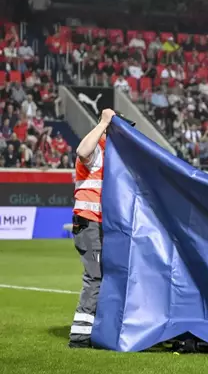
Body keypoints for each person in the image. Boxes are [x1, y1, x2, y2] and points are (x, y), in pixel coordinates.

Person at [68, 108, 116, 348]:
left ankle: (94, 328)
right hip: (88, 221)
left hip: (97, 222)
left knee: (102, 275)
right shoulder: (97, 146)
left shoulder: (110, 153)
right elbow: (81, 150)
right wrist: (103, 123)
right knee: (95, 276)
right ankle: (80, 336)